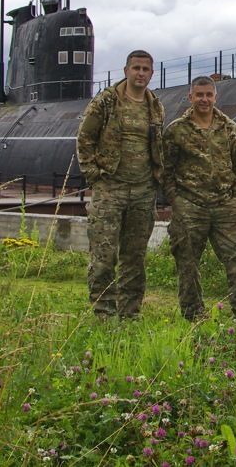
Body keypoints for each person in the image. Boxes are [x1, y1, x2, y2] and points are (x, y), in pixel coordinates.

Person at [75, 50, 164, 319]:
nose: (140, 73)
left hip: (142, 191)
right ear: (126, 70)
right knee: (104, 257)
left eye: (145, 69)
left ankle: (130, 314)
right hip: (110, 190)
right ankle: (103, 313)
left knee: (134, 258)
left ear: (151, 73)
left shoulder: (155, 106)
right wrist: (95, 176)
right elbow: (85, 138)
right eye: (136, 67)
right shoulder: (106, 102)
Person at [162, 76, 236, 320]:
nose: (204, 99)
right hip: (189, 205)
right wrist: (175, 199)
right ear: (190, 97)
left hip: (225, 203)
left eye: (208, 95)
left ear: (216, 97)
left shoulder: (230, 129)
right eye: (199, 94)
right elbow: (165, 169)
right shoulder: (176, 131)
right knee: (187, 262)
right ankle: (193, 315)